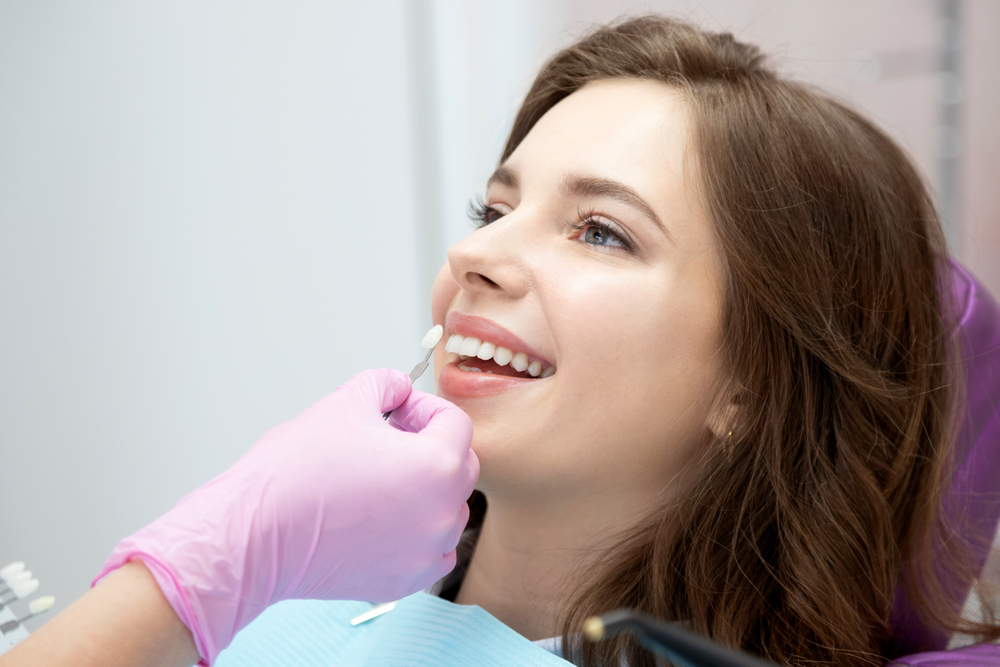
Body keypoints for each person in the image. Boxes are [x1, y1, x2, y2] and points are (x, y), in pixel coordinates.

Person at [5, 14, 1000, 667]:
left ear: (749, 383)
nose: (474, 255)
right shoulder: (275, 607)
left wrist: (196, 576)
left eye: (600, 231)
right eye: (492, 206)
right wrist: (209, 574)